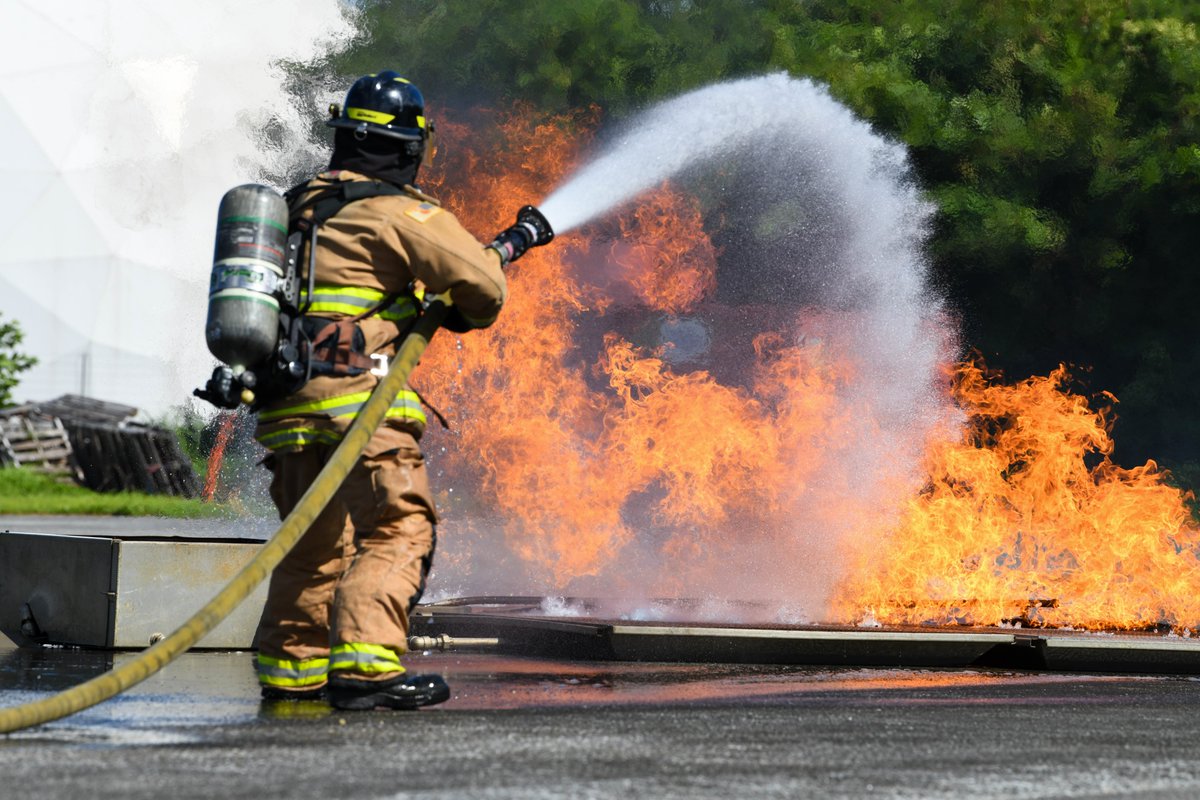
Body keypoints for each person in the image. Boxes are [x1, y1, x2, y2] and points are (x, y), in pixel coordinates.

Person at [252, 71, 550, 710]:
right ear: (409, 148)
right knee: (399, 528)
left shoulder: (297, 207)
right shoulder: (399, 212)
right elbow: (481, 290)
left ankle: (291, 678)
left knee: (314, 544)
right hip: (358, 403)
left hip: (287, 405)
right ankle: (366, 668)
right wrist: (507, 247)